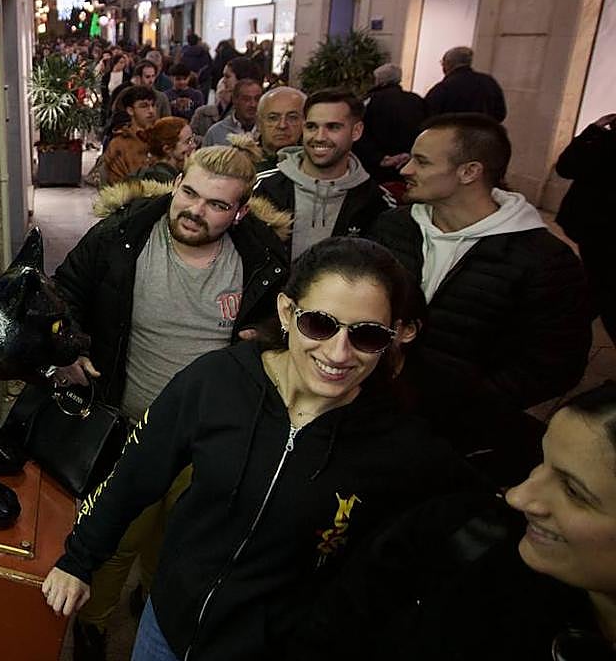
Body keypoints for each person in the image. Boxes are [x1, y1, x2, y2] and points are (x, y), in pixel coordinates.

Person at [43, 237, 479, 660]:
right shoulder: (215, 381)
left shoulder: (397, 443)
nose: (339, 352)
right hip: (168, 624)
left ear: (394, 336)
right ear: (287, 312)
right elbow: (135, 473)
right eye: (320, 324)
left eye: (366, 335)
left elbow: (463, 521)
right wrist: (79, 559)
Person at [52, 139, 291, 660]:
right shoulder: (121, 237)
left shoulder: (263, 258)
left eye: (217, 205)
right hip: (127, 427)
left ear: (242, 210)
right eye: (190, 193)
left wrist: (264, 337)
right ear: (179, 182)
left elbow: (285, 325)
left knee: (182, 540)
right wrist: (66, 349)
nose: (195, 211)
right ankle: (94, 626)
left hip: (212, 437)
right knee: (116, 538)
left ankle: (155, 602)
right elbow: (61, 292)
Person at [289, 383, 616, 661]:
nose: (518, 497)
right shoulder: (459, 534)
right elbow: (329, 631)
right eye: (541, 461)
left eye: (573, 491)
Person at [370, 114, 591, 485]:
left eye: (422, 161)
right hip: (374, 419)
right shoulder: (393, 227)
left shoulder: (543, 260)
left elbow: (556, 364)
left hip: (462, 446)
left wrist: (470, 402)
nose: (406, 169)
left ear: (469, 171)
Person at [255, 87, 394, 260]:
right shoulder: (263, 188)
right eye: (312, 127)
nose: (320, 137)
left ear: (356, 131)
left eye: (333, 127)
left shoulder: (378, 202)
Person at [555, 112, 616, 343]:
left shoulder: (605, 141)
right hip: (598, 229)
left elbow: (566, 167)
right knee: (597, 286)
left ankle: (567, 331)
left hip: (599, 229)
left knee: (601, 290)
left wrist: (592, 132)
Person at [356, 63, 427, 188]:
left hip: (376, 169)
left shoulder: (370, 101)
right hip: (409, 164)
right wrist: (410, 155)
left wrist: (381, 158)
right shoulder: (416, 100)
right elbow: (426, 130)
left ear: (379, 81)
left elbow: (359, 133)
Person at [424, 46, 506, 121]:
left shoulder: (443, 88)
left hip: (452, 135)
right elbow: (501, 114)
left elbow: (428, 115)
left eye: (443, 63)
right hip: (484, 135)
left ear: (448, 63)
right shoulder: (489, 82)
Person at [103, 86, 158, 184]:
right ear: (130, 111)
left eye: (153, 105)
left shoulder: (162, 138)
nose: (151, 111)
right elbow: (113, 184)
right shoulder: (118, 145)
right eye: (144, 106)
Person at [128, 116, 196, 183]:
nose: (194, 145)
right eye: (187, 142)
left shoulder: (146, 174)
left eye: (192, 140)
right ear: (167, 149)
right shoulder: (166, 183)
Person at [255, 86, 306, 172]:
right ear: (259, 123)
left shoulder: (314, 165)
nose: (282, 125)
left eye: (292, 118)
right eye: (273, 118)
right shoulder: (239, 163)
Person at [202, 77, 262, 146]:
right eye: (246, 99)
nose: (253, 104)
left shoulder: (268, 131)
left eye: (257, 99)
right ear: (234, 100)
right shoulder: (215, 133)